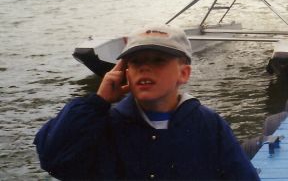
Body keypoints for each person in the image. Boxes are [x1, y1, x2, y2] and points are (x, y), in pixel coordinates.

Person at [34, 24, 260, 180]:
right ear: (124, 72)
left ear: (183, 74)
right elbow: (54, 159)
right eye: (135, 61)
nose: (145, 67)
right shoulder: (102, 126)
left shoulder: (209, 125)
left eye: (158, 61)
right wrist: (97, 102)